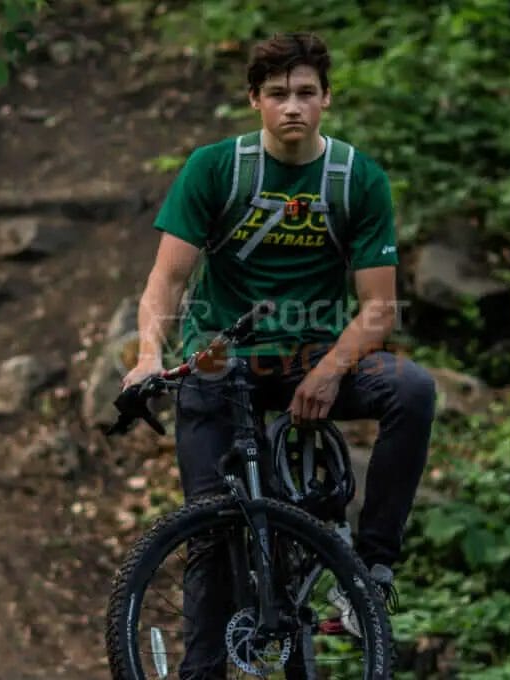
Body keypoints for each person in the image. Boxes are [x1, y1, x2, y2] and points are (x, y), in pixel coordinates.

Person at [121, 31, 436, 677]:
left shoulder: (356, 179)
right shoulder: (215, 168)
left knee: (411, 389)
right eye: (277, 94)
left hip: (309, 360)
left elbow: (378, 307)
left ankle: (370, 573)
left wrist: (327, 373)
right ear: (254, 102)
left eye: (304, 93)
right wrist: (150, 354)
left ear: (326, 100)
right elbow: (166, 281)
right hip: (220, 359)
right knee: (209, 533)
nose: (292, 106)